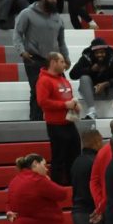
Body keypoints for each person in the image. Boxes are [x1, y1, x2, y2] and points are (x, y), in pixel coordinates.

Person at [12, 0, 67, 121]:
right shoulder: (27, 13)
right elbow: (17, 33)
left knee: (62, 88)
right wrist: (21, 51)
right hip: (33, 58)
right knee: (37, 90)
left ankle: (61, 118)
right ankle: (35, 121)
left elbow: (61, 41)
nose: (55, 1)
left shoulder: (57, 17)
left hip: (54, 60)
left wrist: (66, 58)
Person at [36, 52, 80, 186]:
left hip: (69, 123)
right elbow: (42, 102)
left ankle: (73, 186)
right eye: (61, 62)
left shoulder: (63, 79)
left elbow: (68, 98)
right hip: (56, 125)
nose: (64, 64)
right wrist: (64, 105)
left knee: (75, 156)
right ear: (53, 62)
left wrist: (75, 105)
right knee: (59, 158)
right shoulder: (44, 80)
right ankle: (58, 187)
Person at [69, 37, 113, 120]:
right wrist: (90, 70)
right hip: (91, 92)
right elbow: (72, 74)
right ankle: (92, 112)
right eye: (97, 53)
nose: (100, 55)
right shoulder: (86, 57)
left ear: (106, 52)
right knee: (84, 77)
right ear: (93, 53)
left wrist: (106, 84)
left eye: (102, 52)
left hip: (108, 91)